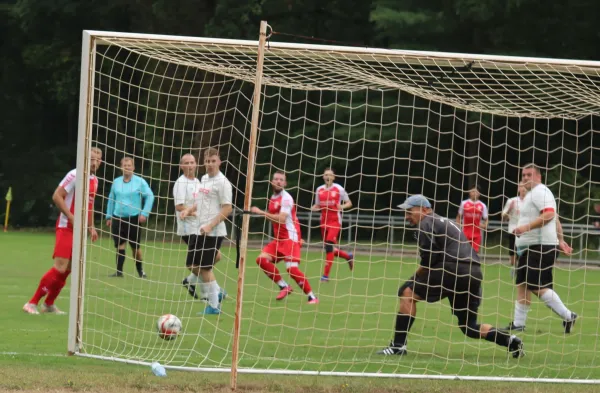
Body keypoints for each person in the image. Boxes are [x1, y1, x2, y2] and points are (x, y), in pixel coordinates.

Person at [377, 194, 524, 358]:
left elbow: (429, 259)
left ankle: (398, 346)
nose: (407, 217)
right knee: (468, 326)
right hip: (474, 272)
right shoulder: (446, 222)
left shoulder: (426, 222)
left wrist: (412, 279)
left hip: (452, 269)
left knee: (407, 293)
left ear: (424, 209)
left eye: (410, 212)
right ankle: (510, 340)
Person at [23, 147, 103, 314]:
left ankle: (49, 304)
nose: (94, 162)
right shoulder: (74, 174)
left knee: (69, 269)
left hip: (79, 231)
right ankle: (31, 303)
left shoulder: (94, 180)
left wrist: (91, 226)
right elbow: (56, 196)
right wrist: (71, 216)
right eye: (91, 159)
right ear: (85, 158)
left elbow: (90, 204)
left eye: (98, 159)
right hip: (66, 227)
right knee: (60, 267)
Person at [505, 164, 576, 333]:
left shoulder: (540, 192)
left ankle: (568, 315)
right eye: (523, 175)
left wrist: (525, 228)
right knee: (522, 284)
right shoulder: (531, 195)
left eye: (529, 175)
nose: (526, 178)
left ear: (539, 177)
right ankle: (518, 324)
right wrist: (561, 239)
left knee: (536, 286)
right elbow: (556, 218)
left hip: (541, 247)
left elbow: (549, 214)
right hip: (530, 248)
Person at [176, 149, 232, 315]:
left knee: (205, 267)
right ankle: (217, 292)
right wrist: (189, 210)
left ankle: (214, 306)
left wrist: (211, 225)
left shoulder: (223, 182)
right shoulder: (204, 179)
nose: (209, 164)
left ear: (219, 162)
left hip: (214, 232)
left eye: (213, 161)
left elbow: (227, 208)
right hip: (200, 229)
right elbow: (200, 202)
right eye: (207, 161)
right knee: (192, 265)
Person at [251, 171, 318, 304]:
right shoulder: (273, 198)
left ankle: (312, 297)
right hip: (279, 240)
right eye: (276, 179)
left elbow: (282, 219)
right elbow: (281, 219)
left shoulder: (286, 198)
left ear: (285, 183)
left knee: (292, 269)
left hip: (290, 238)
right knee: (261, 260)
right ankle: (284, 286)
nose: (278, 182)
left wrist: (261, 212)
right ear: (272, 181)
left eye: (281, 180)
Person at [106, 157, 155, 278]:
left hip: (133, 218)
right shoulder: (116, 182)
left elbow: (150, 196)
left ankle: (140, 271)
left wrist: (144, 213)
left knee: (135, 247)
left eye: (129, 165)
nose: (127, 167)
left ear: (133, 167)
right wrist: (108, 216)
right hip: (118, 217)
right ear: (121, 167)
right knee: (119, 245)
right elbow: (111, 199)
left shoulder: (140, 182)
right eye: (124, 165)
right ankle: (119, 272)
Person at [310, 168, 354, 282]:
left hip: (335, 221)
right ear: (323, 177)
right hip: (323, 221)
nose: (328, 177)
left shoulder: (339, 189)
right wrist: (312, 208)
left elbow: (349, 203)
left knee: (329, 246)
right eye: (326, 175)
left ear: (333, 177)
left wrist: (342, 207)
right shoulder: (319, 189)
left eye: (330, 175)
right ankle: (348, 256)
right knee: (329, 248)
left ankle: (325, 276)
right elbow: (317, 205)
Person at [502, 182, 527, 272]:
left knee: (524, 255)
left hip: (526, 231)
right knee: (513, 259)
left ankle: (520, 270)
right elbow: (503, 218)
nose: (523, 188)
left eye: (525, 186)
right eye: (521, 186)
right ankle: (515, 266)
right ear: (518, 189)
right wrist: (509, 209)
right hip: (513, 230)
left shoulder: (530, 201)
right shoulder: (511, 201)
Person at [456, 185, 488, 253]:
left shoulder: (482, 205)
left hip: (476, 233)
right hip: (465, 232)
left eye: (476, 192)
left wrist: (484, 225)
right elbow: (459, 216)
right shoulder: (464, 203)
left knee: (474, 253)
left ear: (479, 194)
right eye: (473, 191)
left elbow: (486, 219)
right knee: (464, 251)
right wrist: (458, 226)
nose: (474, 193)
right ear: (469, 192)